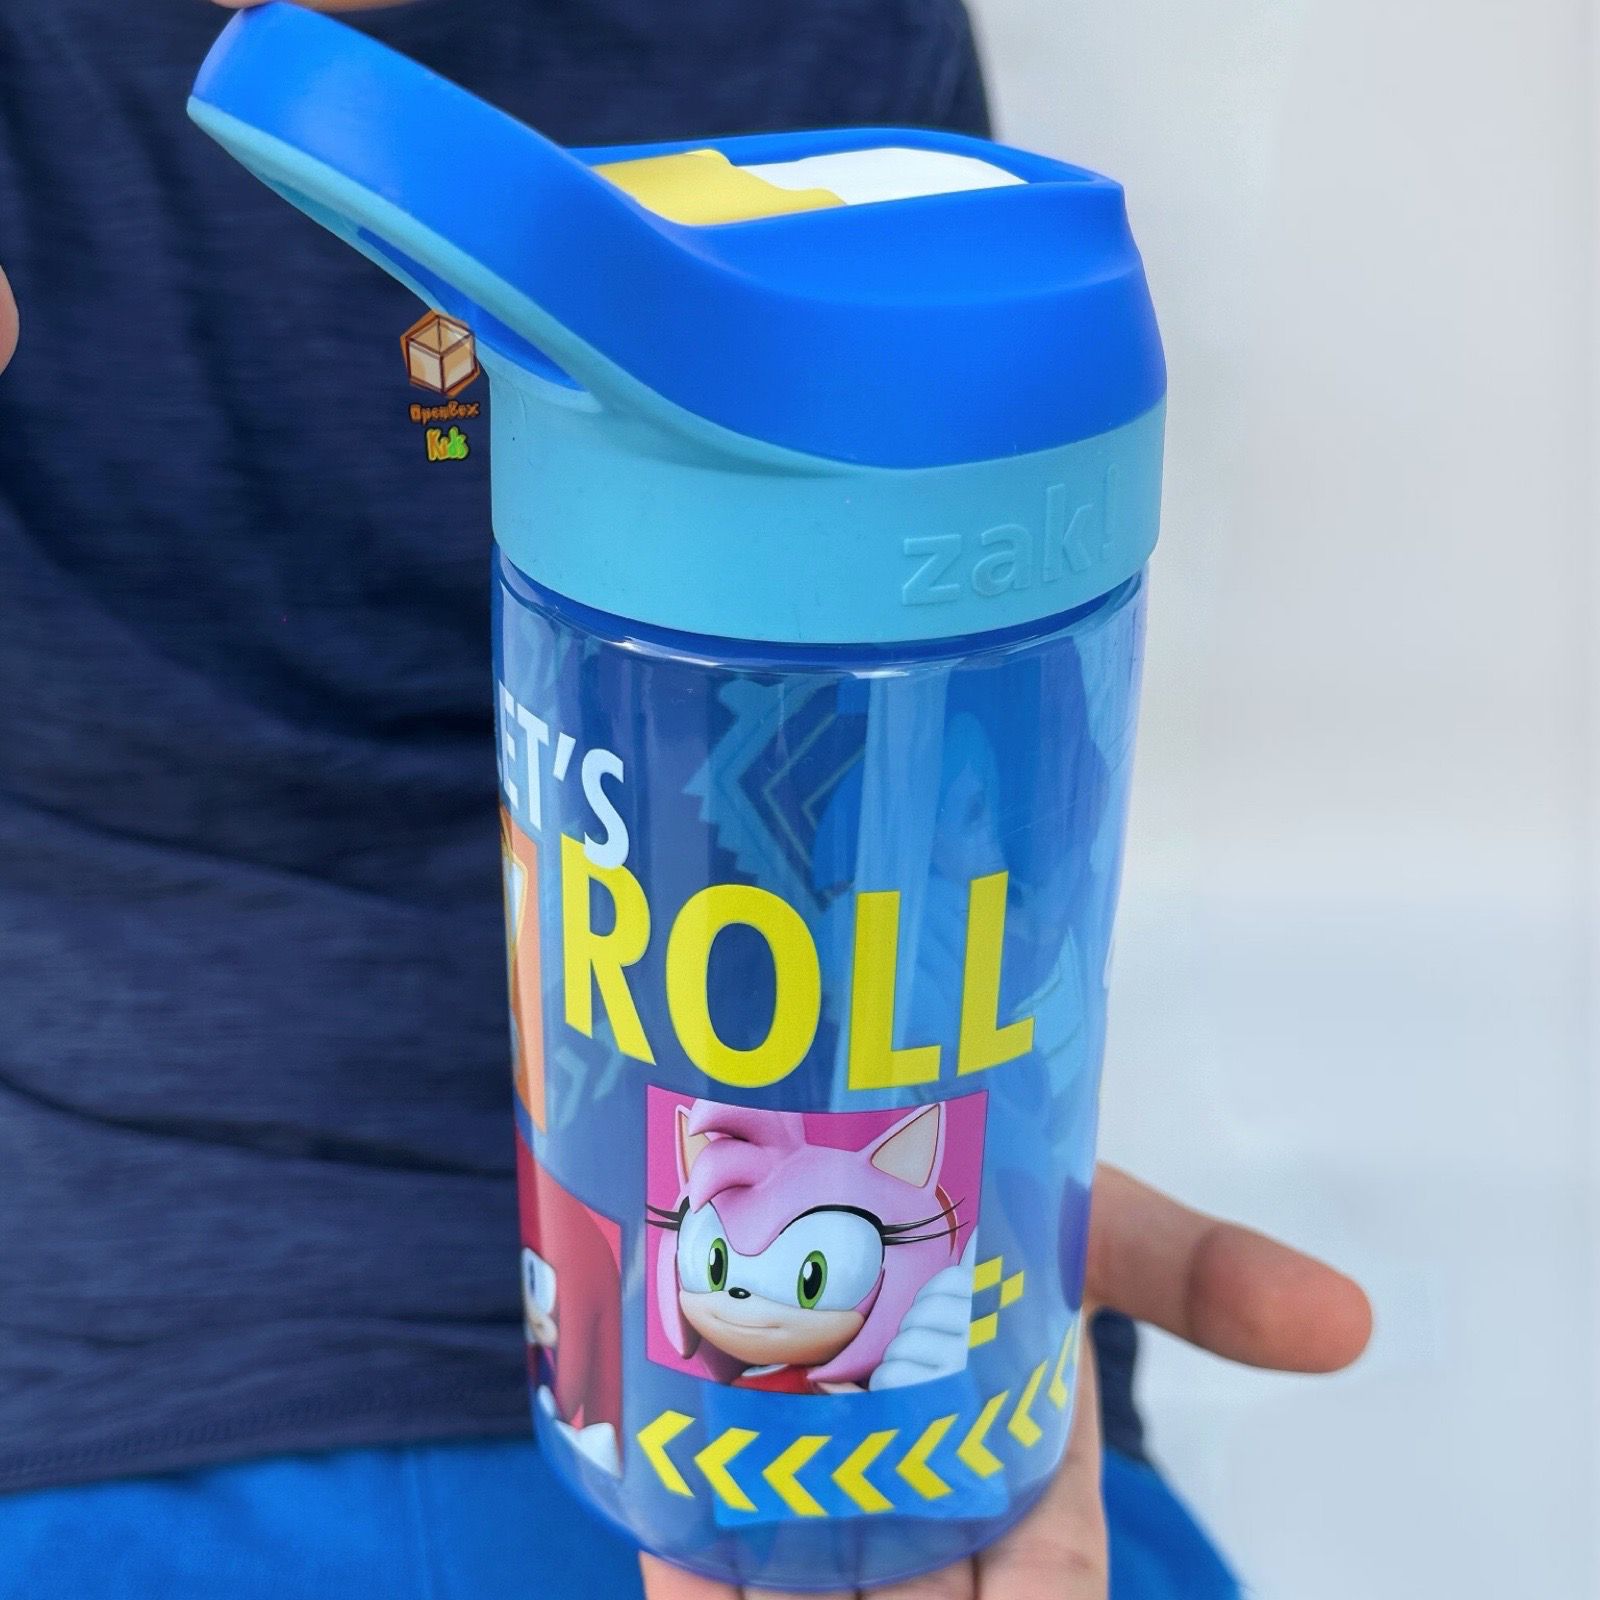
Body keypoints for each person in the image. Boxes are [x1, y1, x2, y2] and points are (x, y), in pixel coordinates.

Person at [0, 3, 1371, 1597]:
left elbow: (939, 809)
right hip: (110, 1335)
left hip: (897, 1302)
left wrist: (965, 1198)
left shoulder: (831, 35)